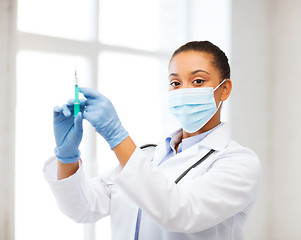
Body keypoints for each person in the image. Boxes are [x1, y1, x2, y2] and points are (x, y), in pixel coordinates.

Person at [44, 41, 261, 240]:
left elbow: (181, 212)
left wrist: (116, 135)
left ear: (224, 89)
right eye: (175, 82)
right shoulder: (147, 155)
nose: (184, 90)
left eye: (197, 81)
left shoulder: (239, 163)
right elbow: (82, 207)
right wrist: (67, 157)